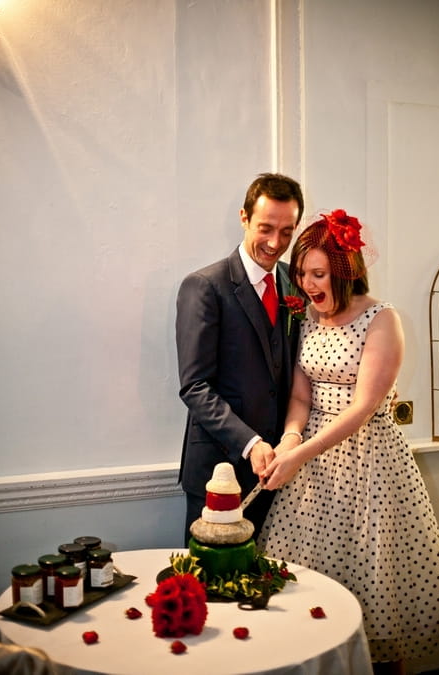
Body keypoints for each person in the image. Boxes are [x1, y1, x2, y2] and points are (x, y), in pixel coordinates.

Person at [257, 209, 439, 674]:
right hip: (314, 470)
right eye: (302, 274)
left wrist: (298, 453)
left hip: (370, 466)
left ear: (345, 271)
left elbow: (362, 408)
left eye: (318, 274)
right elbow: (302, 394)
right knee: (304, 594)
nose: (307, 284)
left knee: (374, 590)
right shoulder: (310, 319)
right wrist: (289, 437)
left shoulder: (383, 319)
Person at [176, 172, 304, 543]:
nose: (275, 242)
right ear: (244, 218)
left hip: (281, 470)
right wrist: (250, 443)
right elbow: (195, 386)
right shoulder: (204, 286)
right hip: (219, 471)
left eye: (286, 231)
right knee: (210, 589)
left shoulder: (296, 284)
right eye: (266, 227)